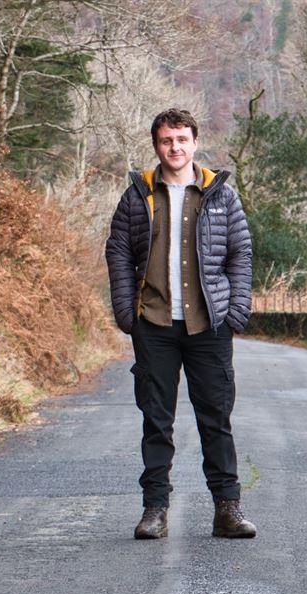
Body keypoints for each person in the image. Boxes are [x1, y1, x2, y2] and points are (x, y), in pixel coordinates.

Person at [105, 108, 256, 539]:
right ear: (156, 145)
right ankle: (155, 511)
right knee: (156, 420)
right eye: (167, 140)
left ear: (194, 143)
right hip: (153, 324)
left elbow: (239, 255)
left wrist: (235, 312)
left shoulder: (220, 194)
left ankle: (228, 510)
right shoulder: (138, 196)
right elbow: (117, 252)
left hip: (210, 325)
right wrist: (125, 311)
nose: (175, 147)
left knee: (216, 419)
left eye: (182, 140)